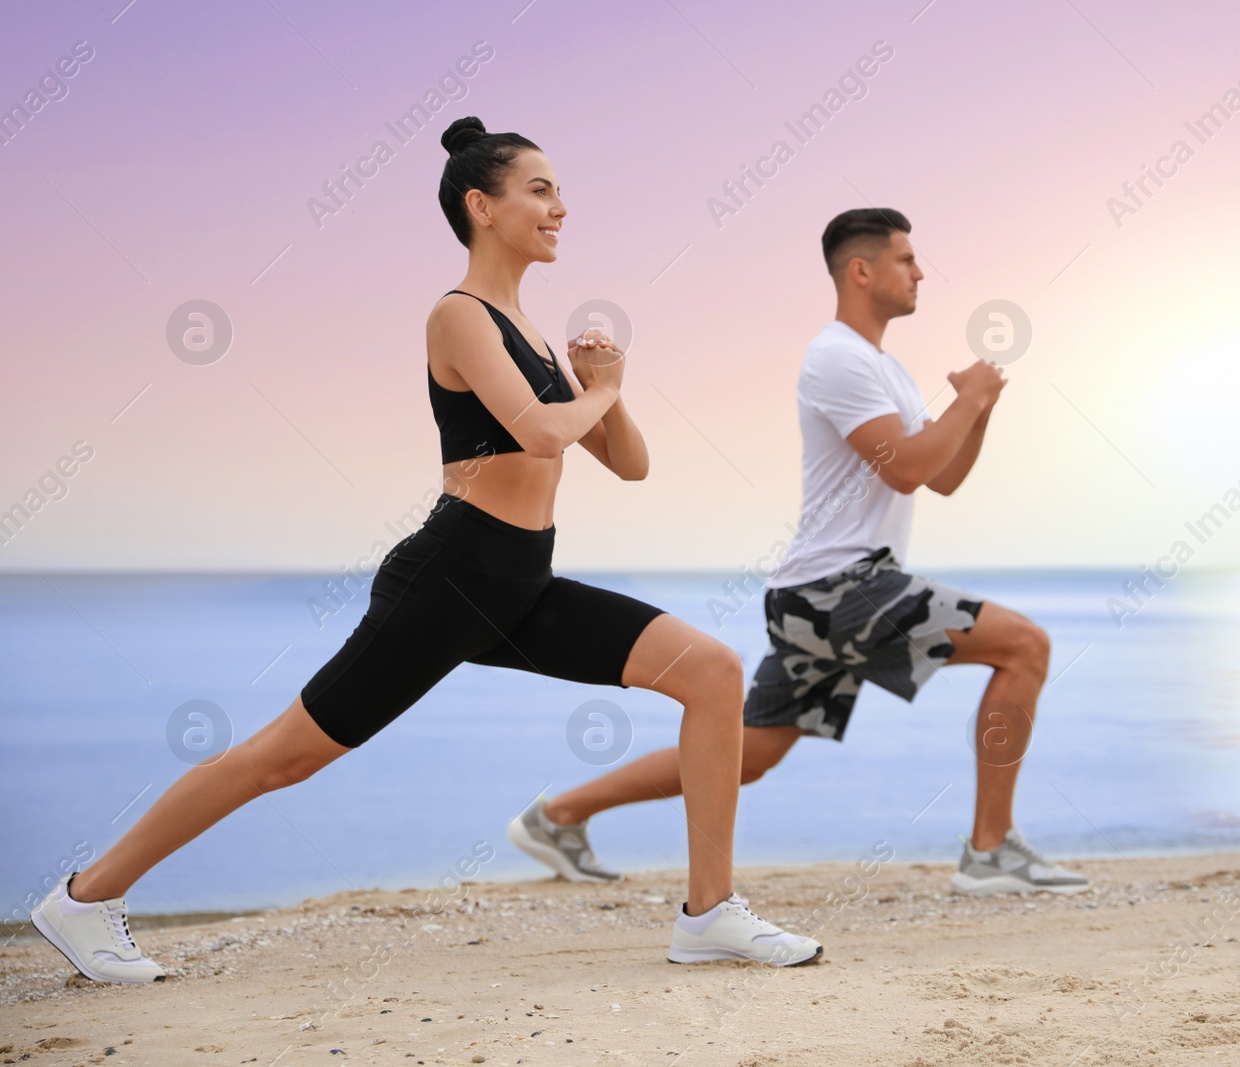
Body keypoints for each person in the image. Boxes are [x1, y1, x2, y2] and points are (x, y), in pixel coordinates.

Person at [29, 116, 821, 983]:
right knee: (281, 757)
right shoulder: (460, 316)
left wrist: (605, 391)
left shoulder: (534, 330)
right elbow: (539, 434)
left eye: (559, 190)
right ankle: (84, 896)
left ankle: (708, 915)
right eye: (541, 189)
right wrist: (605, 389)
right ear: (482, 205)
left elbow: (629, 463)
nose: (562, 206)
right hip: (450, 579)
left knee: (710, 671)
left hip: (523, 583)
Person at [506, 208, 1089, 897]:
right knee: (1025, 646)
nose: (920, 270)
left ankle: (559, 815)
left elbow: (942, 474)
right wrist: (971, 400)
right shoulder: (835, 356)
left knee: (749, 752)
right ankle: (990, 851)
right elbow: (902, 467)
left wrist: (978, 409)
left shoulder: (885, 368)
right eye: (906, 258)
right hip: (841, 589)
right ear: (861, 270)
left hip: (819, 594)